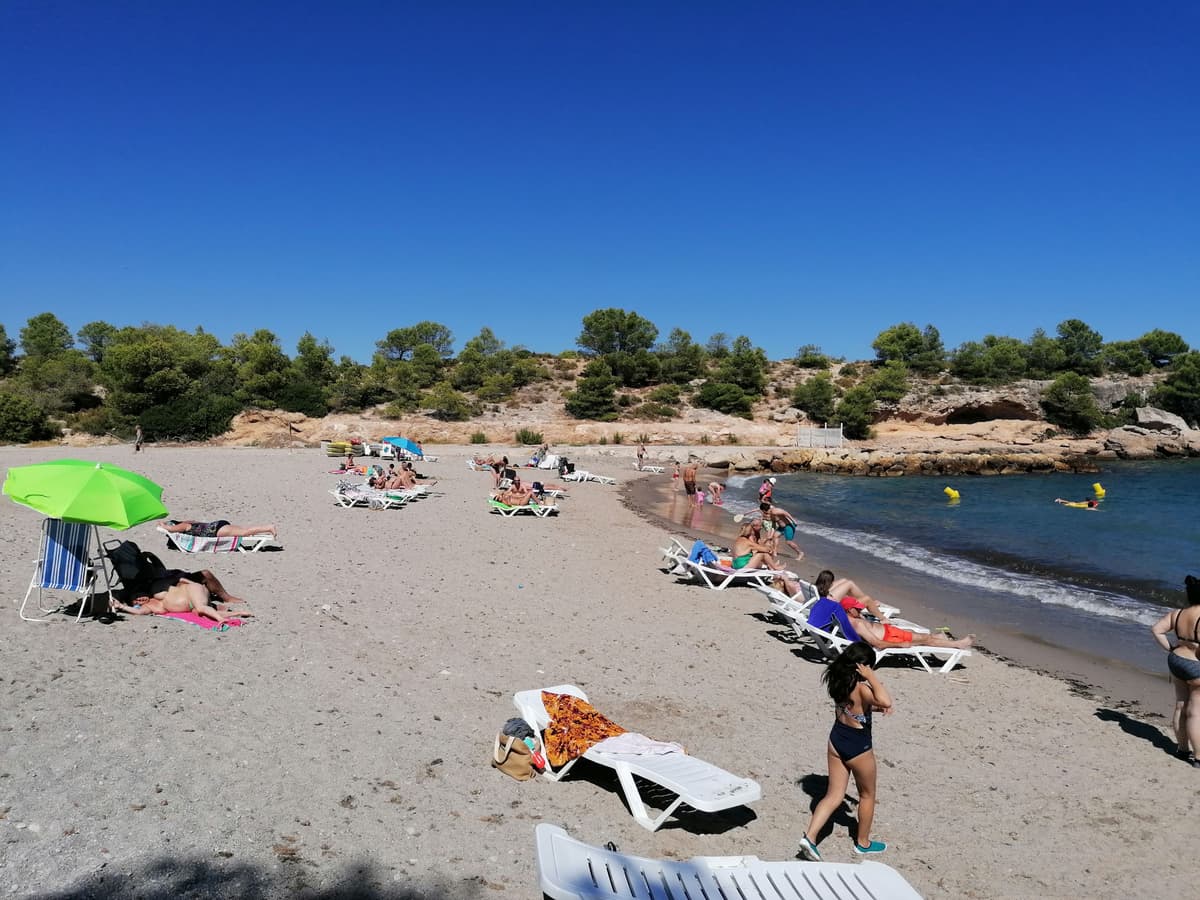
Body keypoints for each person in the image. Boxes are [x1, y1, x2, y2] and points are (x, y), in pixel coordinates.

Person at [796, 642, 893, 861]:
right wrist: (872, 678)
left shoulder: (839, 680)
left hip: (836, 740)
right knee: (867, 795)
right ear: (863, 666)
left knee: (833, 795)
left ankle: (810, 837)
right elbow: (884, 699)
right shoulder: (862, 687)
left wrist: (878, 707)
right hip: (858, 748)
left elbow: (856, 707)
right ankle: (863, 843)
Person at [1150, 575, 1200, 768]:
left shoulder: (1178, 613)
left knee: (1181, 706)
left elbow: (1156, 630)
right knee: (1196, 712)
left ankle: (1182, 749)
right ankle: (1198, 757)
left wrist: (1170, 648)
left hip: (1176, 660)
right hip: (1196, 665)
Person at [842, 598, 975, 650]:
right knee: (925, 639)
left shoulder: (851, 617)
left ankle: (939, 637)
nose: (860, 609)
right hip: (890, 638)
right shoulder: (857, 625)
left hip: (889, 631)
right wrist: (900, 644)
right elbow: (877, 643)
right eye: (857, 608)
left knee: (918, 634)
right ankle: (958, 644)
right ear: (849, 610)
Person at [111, 579, 253, 625]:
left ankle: (220, 618)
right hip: (192, 604)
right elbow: (138, 612)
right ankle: (239, 613)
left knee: (201, 607)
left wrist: (196, 586)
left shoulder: (156, 589)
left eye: (139, 595)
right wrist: (121, 606)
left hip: (192, 591)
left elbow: (180, 580)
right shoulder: (151, 607)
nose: (139, 599)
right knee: (200, 612)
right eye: (136, 600)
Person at [806, 571, 862, 641]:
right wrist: (858, 641)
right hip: (820, 628)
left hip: (811, 623)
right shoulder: (833, 605)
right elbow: (845, 625)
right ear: (831, 584)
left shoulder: (814, 589)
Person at [163, 520, 277, 539]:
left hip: (216, 530)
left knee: (244, 532)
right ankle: (265, 528)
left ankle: (268, 527)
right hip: (218, 525)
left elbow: (171, 529)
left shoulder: (183, 526)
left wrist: (162, 525)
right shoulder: (189, 522)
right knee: (244, 530)